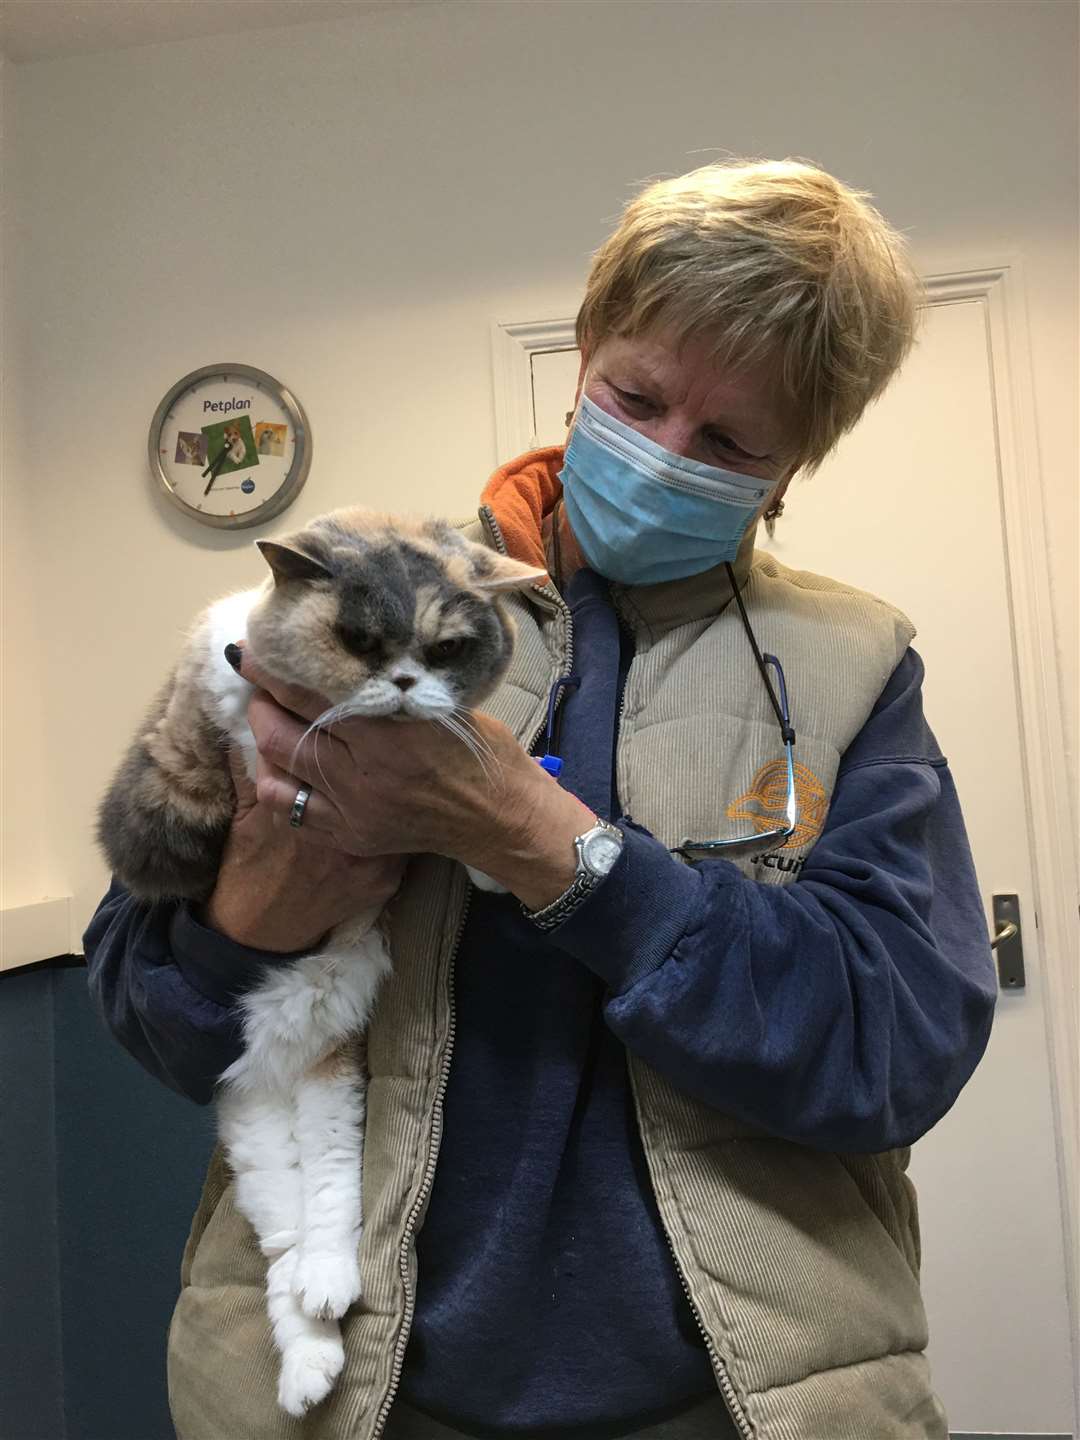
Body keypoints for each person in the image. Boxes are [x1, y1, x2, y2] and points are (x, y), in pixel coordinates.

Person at [84, 158, 997, 1440]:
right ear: (582, 352)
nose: (665, 455)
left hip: (733, 1402)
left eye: (730, 442)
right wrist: (261, 910)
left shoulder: (851, 671)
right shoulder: (351, 602)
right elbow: (151, 1014)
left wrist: (540, 840)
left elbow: (890, 1051)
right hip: (356, 1396)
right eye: (635, 397)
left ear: (797, 464)